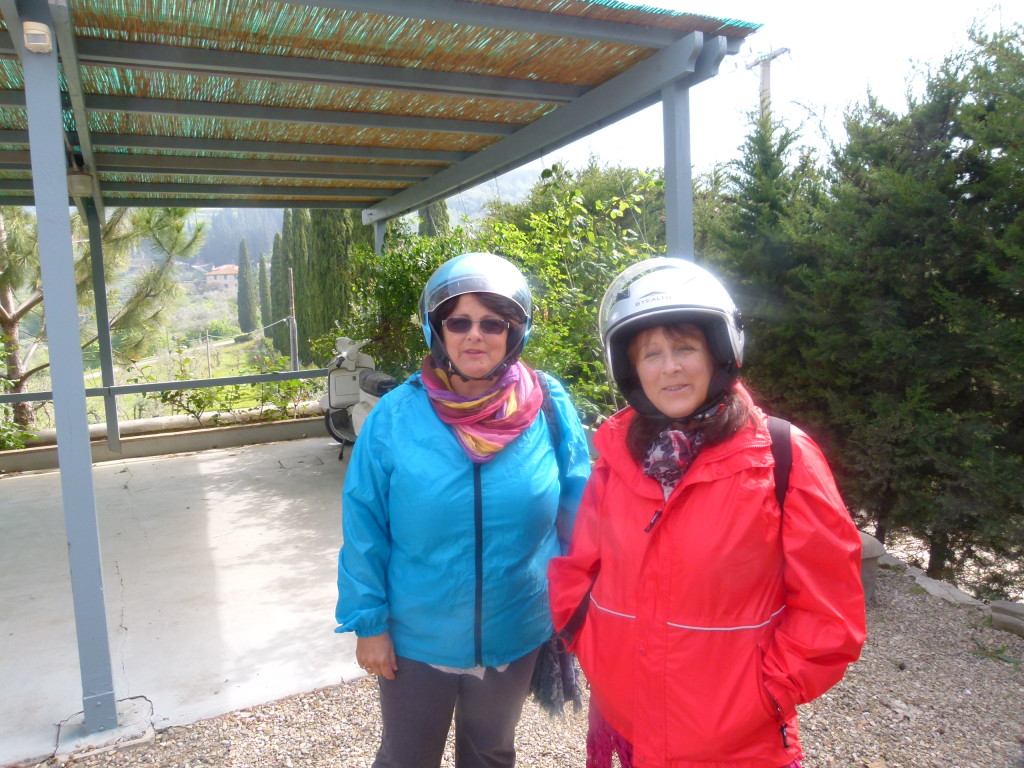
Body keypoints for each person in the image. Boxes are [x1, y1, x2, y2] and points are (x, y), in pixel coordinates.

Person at [548, 257, 866, 768]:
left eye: (685, 347)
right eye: (650, 353)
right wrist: (595, 652)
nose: (669, 366)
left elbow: (831, 612)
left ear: (720, 352)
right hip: (626, 729)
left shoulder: (782, 456)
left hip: (737, 746)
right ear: (631, 369)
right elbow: (579, 569)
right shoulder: (618, 459)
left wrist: (763, 697)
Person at [335, 252, 591, 768]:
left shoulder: (549, 405)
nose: (475, 335)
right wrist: (369, 623)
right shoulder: (395, 417)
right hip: (416, 635)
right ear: (439, 330)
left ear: (515, 332)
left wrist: (576, 606)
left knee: (491, 753)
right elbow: (365, 525)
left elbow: (579, 510)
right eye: (459, 321)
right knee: (407, 757)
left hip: (516, 629)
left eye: (493, 322)